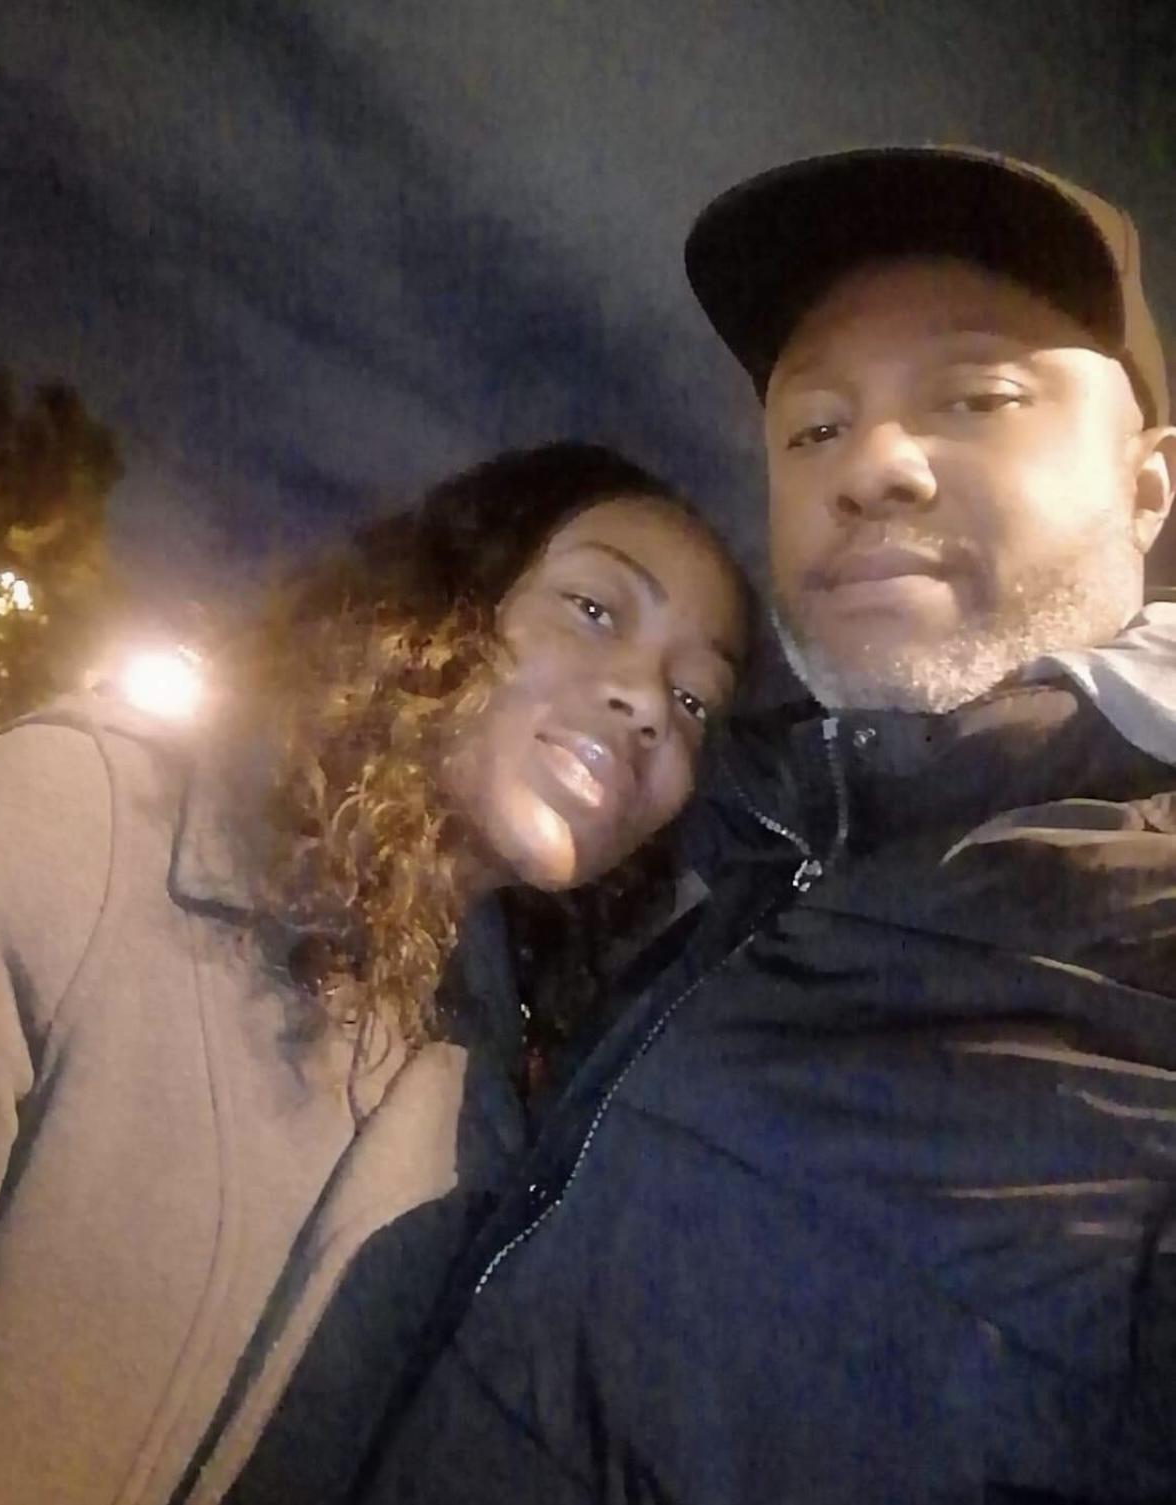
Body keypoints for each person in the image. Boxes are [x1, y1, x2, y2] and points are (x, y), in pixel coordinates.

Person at [350, 150, 1176, 1503]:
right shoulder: (737, 861)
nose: (875, 466)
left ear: (1147, 490)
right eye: (814, 428)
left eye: (976, 397)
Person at [0, 440, 752, 1505]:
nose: (649, 703)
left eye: (697, 699)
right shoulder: (83, 825)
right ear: (453, 601)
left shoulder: (506, 1114)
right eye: (594, 608)